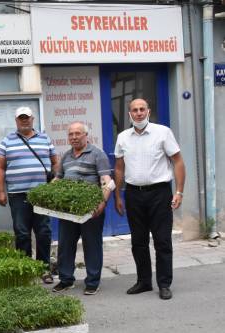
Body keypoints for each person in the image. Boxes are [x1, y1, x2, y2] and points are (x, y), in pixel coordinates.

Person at [114, 98, 185, 300]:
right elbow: (119, 168)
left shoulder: (163, 132)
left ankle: (164, 283)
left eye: (142, 109)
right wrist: (118, 195)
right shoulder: (123, 137)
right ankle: (144, 281)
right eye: (134, 110)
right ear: (129, 114)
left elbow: (178, 161)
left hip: (160, 194)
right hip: (134, 194)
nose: (138, 113)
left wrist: (179, 191)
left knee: (162, 241)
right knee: (138, 242)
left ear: (148, 111)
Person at [0, 106, 58, 284]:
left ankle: (43, 268)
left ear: (33, 119)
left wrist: (55, 181)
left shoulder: (45, 138)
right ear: (16, 121)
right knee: (22, 233)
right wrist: (0, 191)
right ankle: (25, 269)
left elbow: (55, 162)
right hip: (17, 194)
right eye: (21, 118)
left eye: (27, 118)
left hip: (42, 194)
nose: (24, 120)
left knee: (44, 232)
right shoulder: (6, 141)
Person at [53, 122, 113, 295]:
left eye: (78, 133)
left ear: (86, 135)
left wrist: (102, 203)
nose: (74, 137)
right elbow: (58, 179)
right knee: (65, 245)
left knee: (92, 245)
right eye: (71, 134)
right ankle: (65, 280)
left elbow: (106, 180)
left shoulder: (97, 154)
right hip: (68, 210)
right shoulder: (65, 156)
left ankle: (92, 282)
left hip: (90, 209)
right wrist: (45, 194)